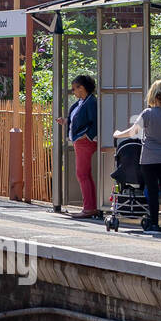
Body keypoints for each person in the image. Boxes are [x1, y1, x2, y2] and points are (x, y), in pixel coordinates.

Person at [114, 79, 161, 232]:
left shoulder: (148, 113)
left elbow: (132, 132)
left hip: (149, 157)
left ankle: (154, 223)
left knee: (152, 191)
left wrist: (117, 134)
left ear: (153, 95)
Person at [56, 74, 100, 219]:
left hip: (85, 142)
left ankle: (88, 208)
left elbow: (95, 121)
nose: (73, 91)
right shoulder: (82, 102)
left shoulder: (91, 102)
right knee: (85, 174)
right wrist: (66, 121)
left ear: (82, 88)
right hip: (79, 141)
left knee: (82, 174)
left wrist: (86, 136)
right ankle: (91, 206)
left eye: (75, 88)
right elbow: (77, 119)